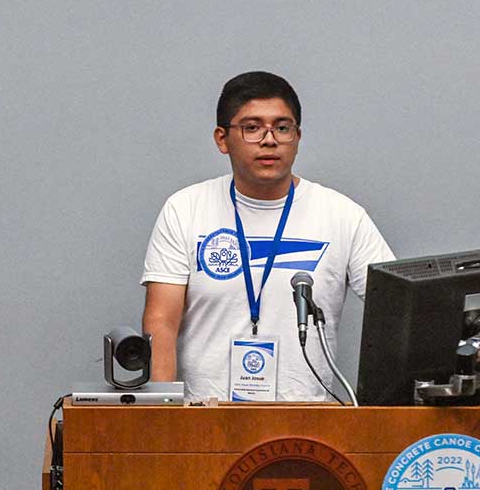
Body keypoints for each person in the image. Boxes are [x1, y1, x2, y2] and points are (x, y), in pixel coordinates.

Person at [141, 71, 394, 402]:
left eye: (282, 128)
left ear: (297, 137)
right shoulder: (185, 209)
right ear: (222, 139)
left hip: (308, 421)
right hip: (205, 417)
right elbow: (161, 322)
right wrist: (160, 415)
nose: (269, 140)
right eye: (252, 128)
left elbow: (397, 310)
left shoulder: (343, 215)